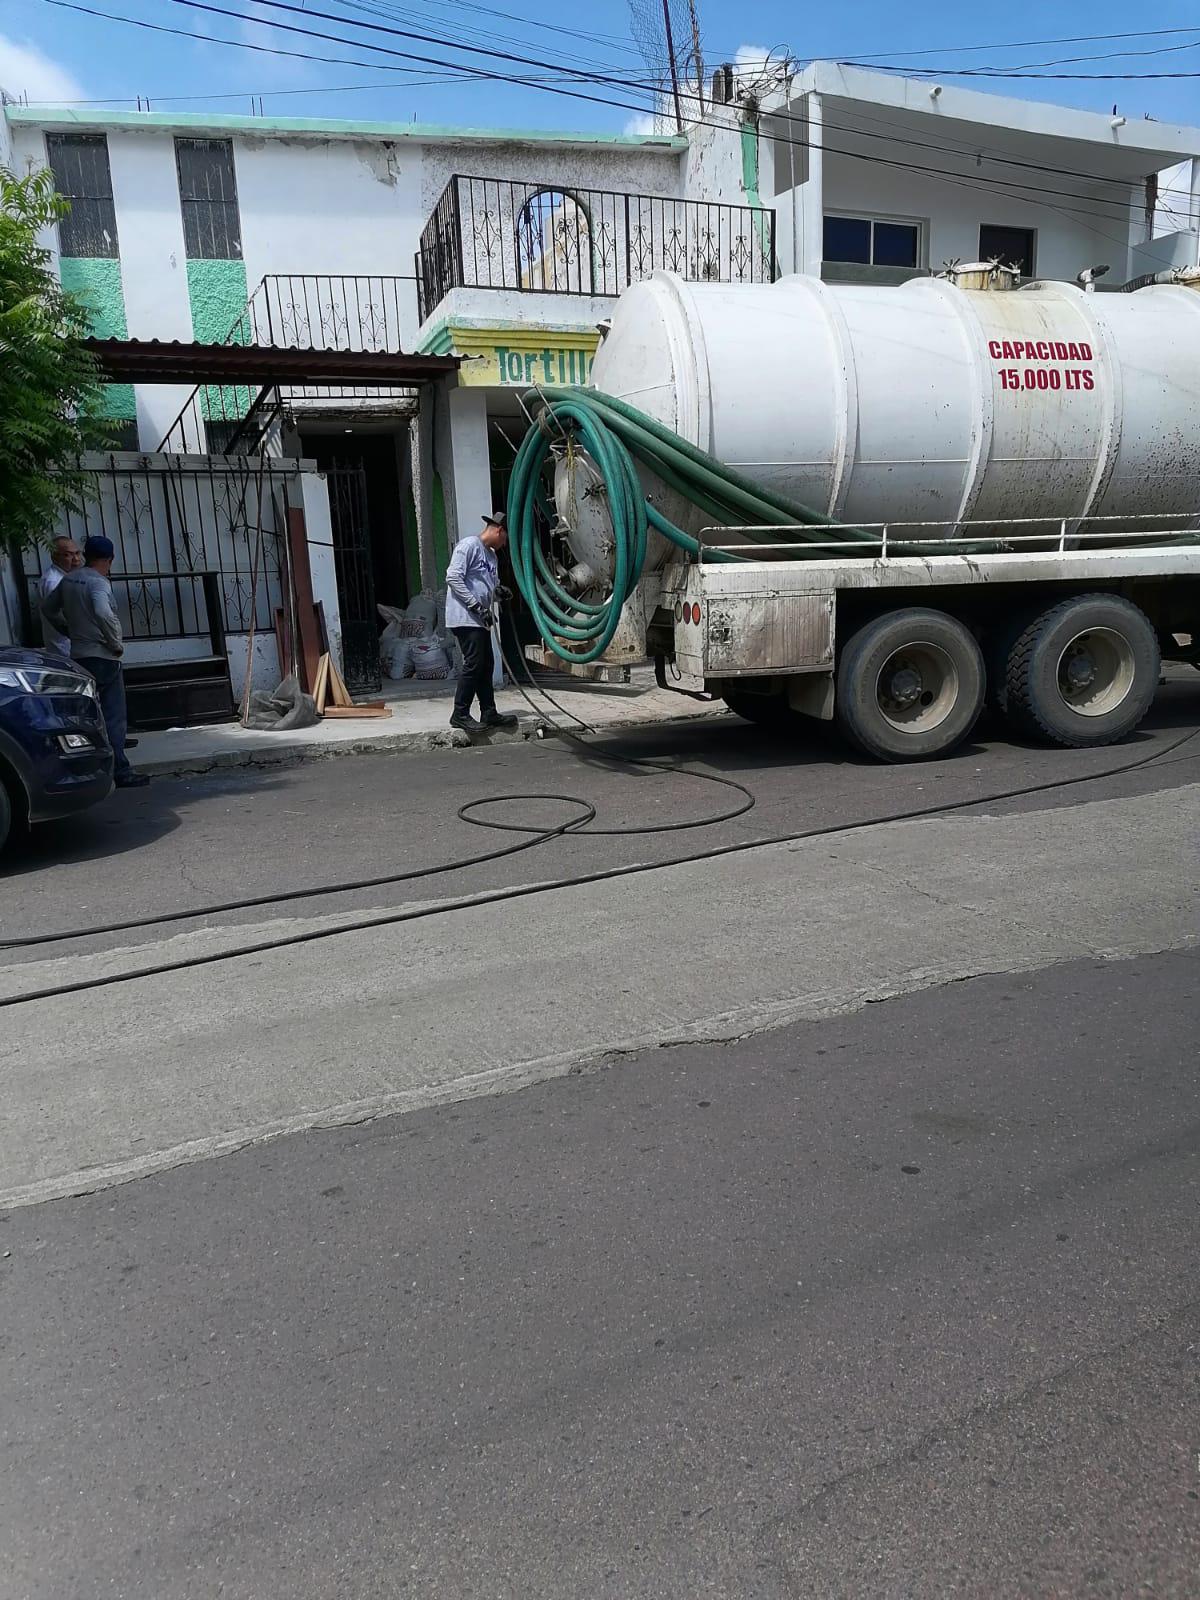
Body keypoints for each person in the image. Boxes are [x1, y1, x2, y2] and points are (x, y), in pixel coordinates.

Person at [41, 534, 149, 789]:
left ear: (86, 555)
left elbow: (47, 609)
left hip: (79, 656)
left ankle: (86, 767)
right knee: (113, 716)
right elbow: (102, 611)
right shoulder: (98, 582)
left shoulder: (69, 580)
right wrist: (115, 643)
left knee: (86, 715)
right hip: (103, 657)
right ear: (109, 560)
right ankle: (120, 770)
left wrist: (67, 630)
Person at [444, 511, 519, 734]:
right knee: (474, 663)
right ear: (499, 530)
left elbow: (487, 587)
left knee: (487, 665)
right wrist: (477, 606)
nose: (504, 544)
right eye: (505, 539)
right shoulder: (469, 546)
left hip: (480, 618)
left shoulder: (491, 556)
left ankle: (488, 711)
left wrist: (498, 593)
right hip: (465, 617)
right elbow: (453, 577)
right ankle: (460, 713)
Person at [38, 535, 82, 655]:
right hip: (64, 646)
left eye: (77, 553)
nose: (76, 559)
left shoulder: (66, 577)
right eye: (68, 555)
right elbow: (59, 615)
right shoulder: (53, 581)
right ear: (55, 557)